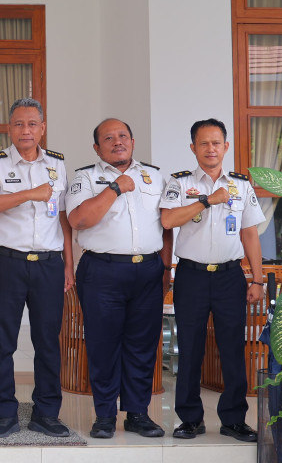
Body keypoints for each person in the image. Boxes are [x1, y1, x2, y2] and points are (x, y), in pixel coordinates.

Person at [64, 118, 172, 439]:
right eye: (108, 138)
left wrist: (166, 268)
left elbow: (167, 226)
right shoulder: (85, 178)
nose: (117, 142)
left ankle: (138, 414)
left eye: (123, 136)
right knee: (103, 344)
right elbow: (79, 220)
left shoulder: (154, 176)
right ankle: (105, 415)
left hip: (149, 271)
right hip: (102, 271)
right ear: (97, 148)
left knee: (142, 345)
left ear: (133, 141)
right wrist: (115, 188)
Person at [0, 97, 73, 438]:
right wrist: (29, 193)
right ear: (9, 129)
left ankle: (47, 412)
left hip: (49, 264)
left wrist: (68, 266)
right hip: (6, 262)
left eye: (32, 124)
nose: (26, 130)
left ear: (42, 128)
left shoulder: (58, 164)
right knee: (3, 341)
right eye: (18, 124)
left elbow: (62, 219)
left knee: (48, 341)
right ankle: (3, 413)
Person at [161, 118, 264, 443]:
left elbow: (249, 233)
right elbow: (168, 220)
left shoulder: (241, 185)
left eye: (216, 143)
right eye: (203, 143)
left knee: (232, 348)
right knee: (189, 349)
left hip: (230, 277)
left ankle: (234, 420)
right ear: (193, 148)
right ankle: (190, 419)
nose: (210, 149)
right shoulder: (180, 183)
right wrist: (206, 200)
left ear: (226, 146)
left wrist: (257, 279)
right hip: (190, 275)